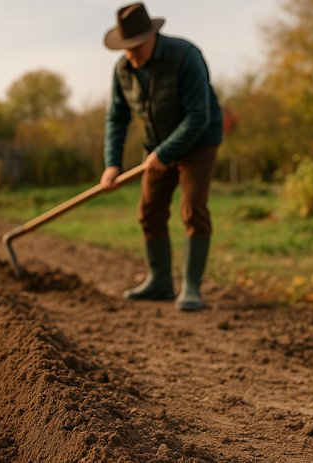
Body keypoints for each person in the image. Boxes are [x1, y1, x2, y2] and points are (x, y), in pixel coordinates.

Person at [101, 3, 223, 310]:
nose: (131, 54)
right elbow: (117, 118)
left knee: (192, 208)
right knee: (149, 212)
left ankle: (191, 288)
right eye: (126, 48)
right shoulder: (123, 70)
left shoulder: (185, 56)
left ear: (153, 35)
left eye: (137, 46)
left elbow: (199, 116)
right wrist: (112, 164)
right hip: (156, 145)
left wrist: (166, 152)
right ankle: (160, 281)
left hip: (199, 140)